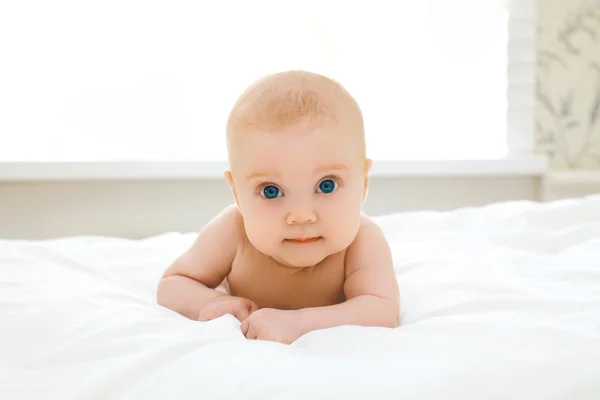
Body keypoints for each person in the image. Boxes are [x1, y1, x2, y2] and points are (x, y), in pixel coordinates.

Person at [157, 70, 399, 344]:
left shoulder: (363, 240)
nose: (301, 215)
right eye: (271, 191)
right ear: (237, 193)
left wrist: (299, 323)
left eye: (327, 185)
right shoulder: (233, 231)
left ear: (363, 184)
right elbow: (172, 285)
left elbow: (382, 310)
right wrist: (212, 302)